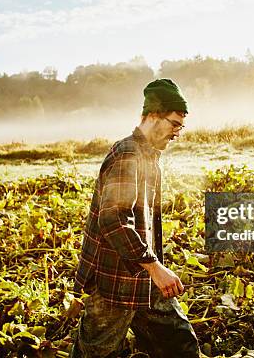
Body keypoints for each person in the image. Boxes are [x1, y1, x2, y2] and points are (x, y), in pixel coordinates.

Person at [69, 79, 200, 358]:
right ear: (153, 115)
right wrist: (155, 267)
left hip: (144, 279)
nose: (177, 132)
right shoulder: (128, 155)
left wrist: (153, 269)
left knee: (178, 344)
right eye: (174, 124)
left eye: (181, 126)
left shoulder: (148, 155)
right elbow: (114, 220)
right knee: (97, 353)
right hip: (114, 282)